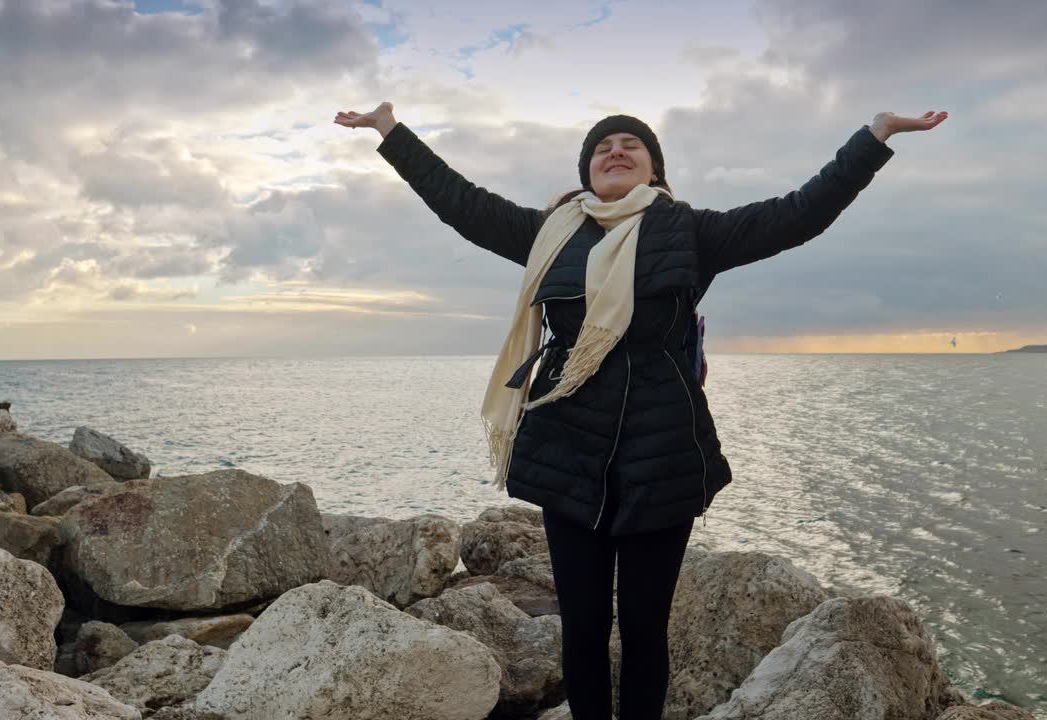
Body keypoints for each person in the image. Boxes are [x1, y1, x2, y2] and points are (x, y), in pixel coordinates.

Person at [334, 101, 947, 720]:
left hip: (663, 456)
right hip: (568, 449)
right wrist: (390, 130)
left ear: (654, 171)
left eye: (631, 145)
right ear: (587, 170)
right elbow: (460, 202)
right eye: (603, 147)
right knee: (583, 624)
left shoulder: (689, 231)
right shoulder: (553, 233)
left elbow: (801, 212)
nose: (616, 151)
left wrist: (876, 136)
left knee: (647, 627)